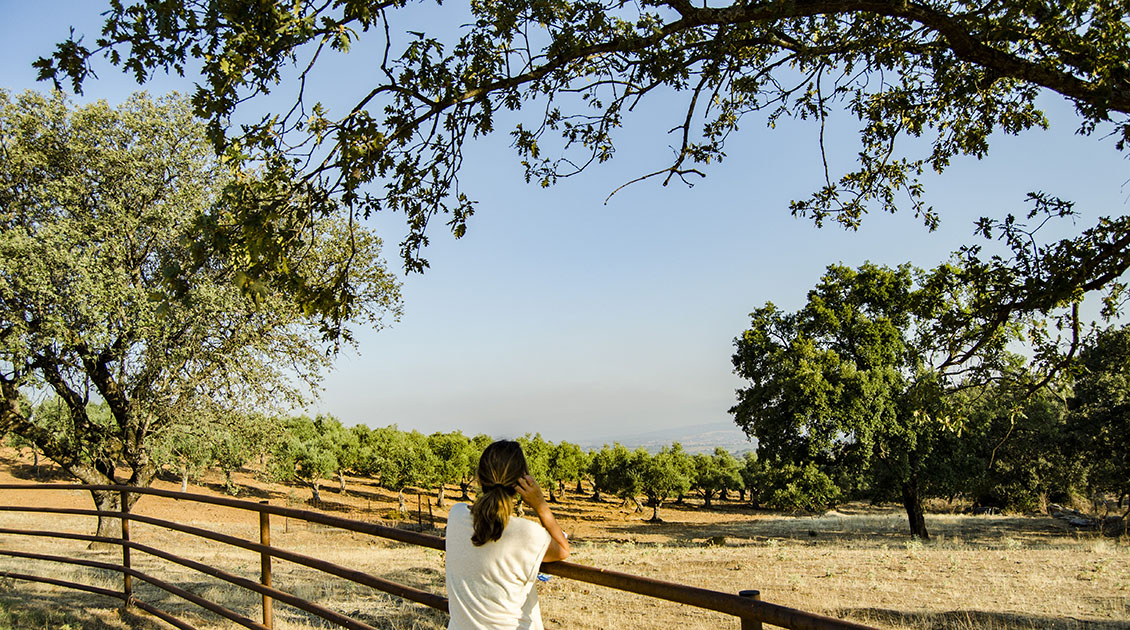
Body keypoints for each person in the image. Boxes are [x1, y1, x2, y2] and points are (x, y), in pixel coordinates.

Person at [444, 440, 570, 630]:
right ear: (523, 481)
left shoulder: (456, 516)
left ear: (478, 478)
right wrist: (540, 505)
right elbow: (562, 549)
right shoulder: (528, 534)